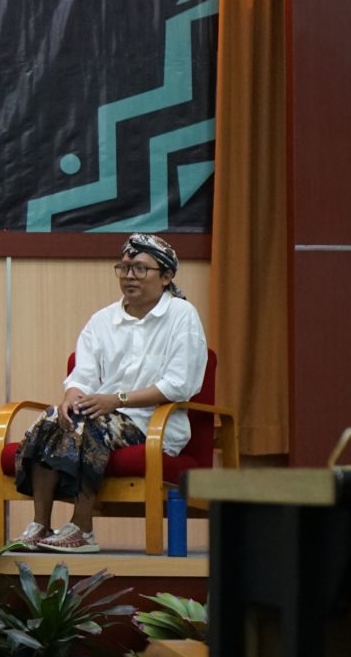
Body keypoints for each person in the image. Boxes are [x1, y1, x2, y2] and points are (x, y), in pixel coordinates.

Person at [13, 234, 207, 554]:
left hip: (154, 424)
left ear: (166, 276)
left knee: (90, 423)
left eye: (140, 269)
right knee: (52, 419)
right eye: (124, 268)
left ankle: (83, 529)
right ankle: (40, 525)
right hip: (105, 413)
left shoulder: (181, 316)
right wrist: (71, 396)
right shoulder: (102, 320)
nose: (130, 276)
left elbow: (179, 385)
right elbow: (83, 376)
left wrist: (116, 400)